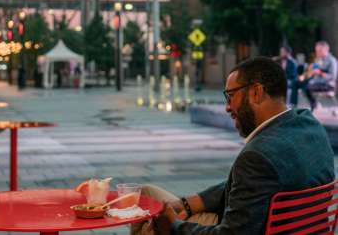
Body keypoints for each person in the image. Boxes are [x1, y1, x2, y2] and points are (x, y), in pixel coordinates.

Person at [137, 57, 334, 235]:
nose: (227, 107)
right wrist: (188, 203)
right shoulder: (310, 125)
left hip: (241, 227)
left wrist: (173, 226)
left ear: (256, 92)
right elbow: (253, 184)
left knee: (150, 218)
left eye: (230, 95)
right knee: (147, 194)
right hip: (303, 228)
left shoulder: (258, 156)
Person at [294, 41, 338, 110]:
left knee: (306, 87)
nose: (317, 53)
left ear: (326, 50)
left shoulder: (332, 60)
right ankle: (293, 105)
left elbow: (333, 77)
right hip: (316, 82)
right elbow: (312, 72)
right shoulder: (318, 60)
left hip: (328, 84)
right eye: (316, 51)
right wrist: (310, 70)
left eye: (319, 51)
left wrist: (320, 73)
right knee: (296, 82)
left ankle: (313, 104)